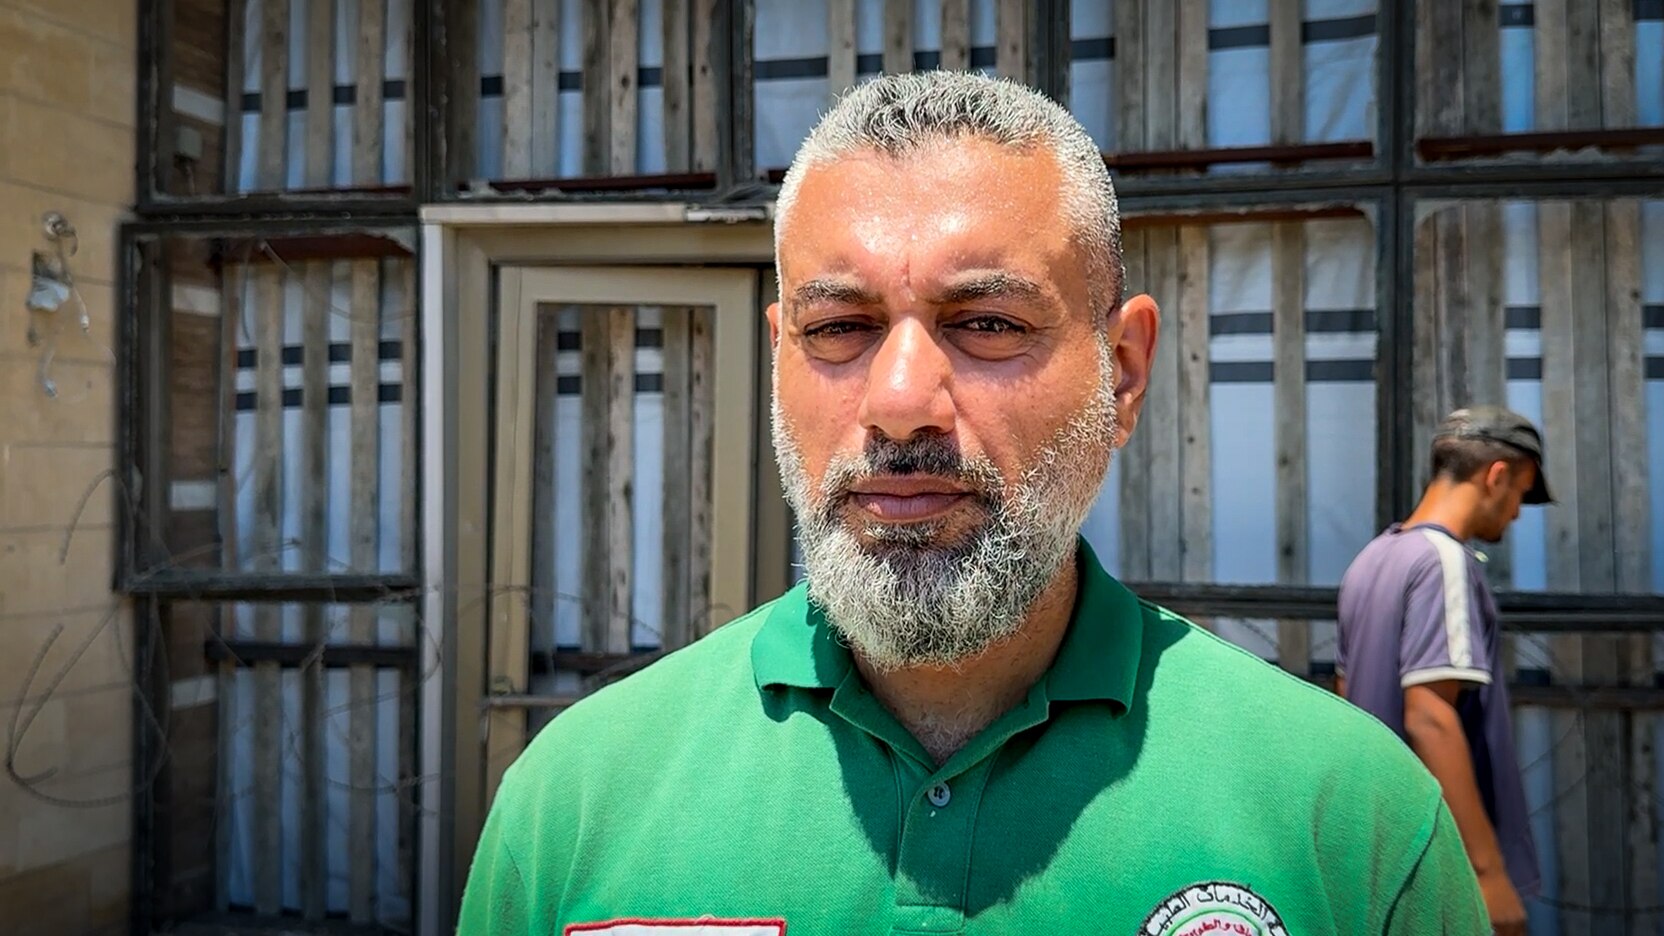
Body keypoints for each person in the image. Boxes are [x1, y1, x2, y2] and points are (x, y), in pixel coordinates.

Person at [458, 71, 1488, 935]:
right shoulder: (573, 806)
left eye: (987, 323)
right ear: (778, 362)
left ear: (1121, 374)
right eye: (838, 329)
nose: (899, 401)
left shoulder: (1346, 818)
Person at [1337, 405, 1551, 936]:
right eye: (1521, 494)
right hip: (1435, 862)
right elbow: (1431, 715)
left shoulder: (1372, 559)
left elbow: (1343, 698)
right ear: (1496, 476)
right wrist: (1488, 873)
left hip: (1376, 852)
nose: (1518, 513)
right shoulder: (1443, 560)